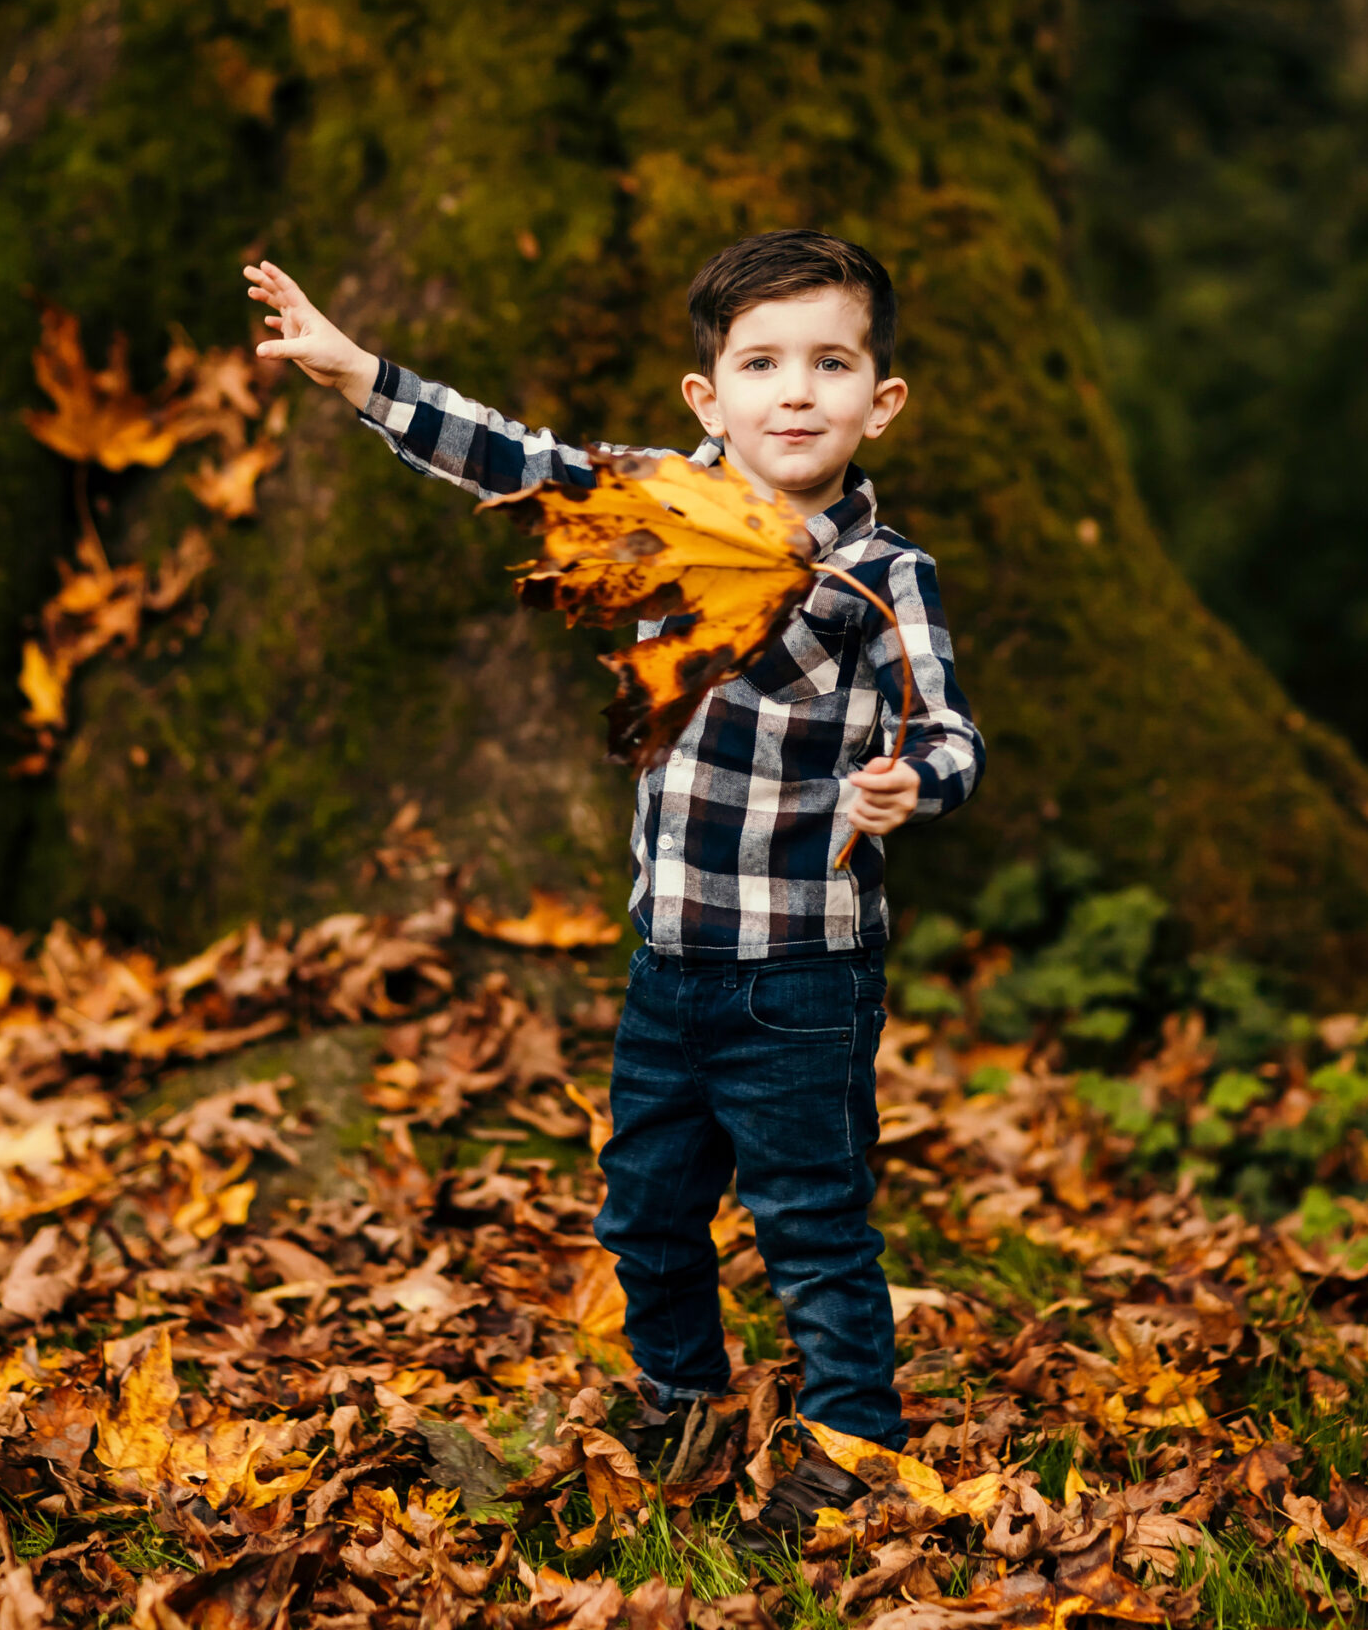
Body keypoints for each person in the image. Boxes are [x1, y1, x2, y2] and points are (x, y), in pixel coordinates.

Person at [243, 228, 984, 1543]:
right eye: (762, 363)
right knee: (643, 1207)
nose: (797, 392)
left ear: (883, 400)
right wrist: (359, 374)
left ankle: (857, 1447)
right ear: (710, 398)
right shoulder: (659, 505)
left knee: (812, 1220)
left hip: (805, 973)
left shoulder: (881, 578)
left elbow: (949, 736)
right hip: (668, 964)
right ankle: (681, 1407)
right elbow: (520, 462)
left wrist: (905, 788)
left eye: (831, 363)